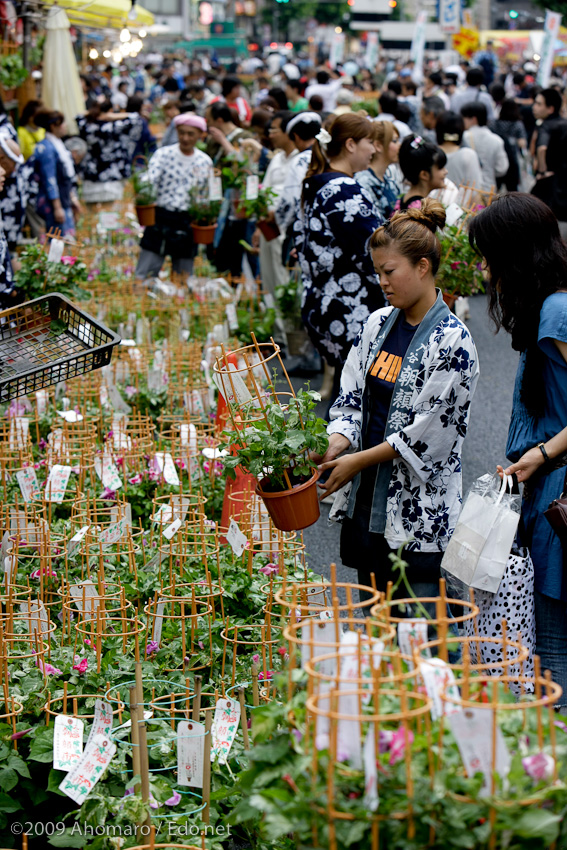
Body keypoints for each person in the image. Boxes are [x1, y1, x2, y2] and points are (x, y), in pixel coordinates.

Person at [315, 200, 479, 600]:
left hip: (417, 507)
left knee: (417, 626)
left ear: (423, 267)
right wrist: (338, 440)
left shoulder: (454, 341)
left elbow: (428, 436)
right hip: (367, 496)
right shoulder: (375, 324)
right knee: (373, 616)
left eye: (389, 272)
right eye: (378, 273)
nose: (382, 282)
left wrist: (357, 459)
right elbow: (350, 396)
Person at [468, 193, 567, 706]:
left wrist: (543, 455)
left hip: (559, 496)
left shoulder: (557, 312)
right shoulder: (550, 307)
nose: (484, 269)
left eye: (488, 255)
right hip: (546, 487)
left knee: (552, 649)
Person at [295, 113, 382, 404]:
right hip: (351, 310)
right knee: (357, 400)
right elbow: (375, 252)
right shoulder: (343, 189)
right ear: (350, 144)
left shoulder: (318, 184)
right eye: (370, 141)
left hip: (326, 303)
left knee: (345, 394)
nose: (375, 149)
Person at [136, 113, 213, 280]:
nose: (185, 138)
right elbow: (151, 178)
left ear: (201, 135)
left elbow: (208, 194)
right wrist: (143, 188)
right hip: (161, 217)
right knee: (145, 274)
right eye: (181, 133)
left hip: (187, 221)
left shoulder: (204, 161)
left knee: (183, 278)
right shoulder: (163, 154)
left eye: (191, 134)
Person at [253, 111, 298, 346]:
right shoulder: (278, 159)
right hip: (269, 228)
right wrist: (259, 227)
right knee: (270, 280)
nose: (270, 134)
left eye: (274, 130)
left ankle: (290, 337)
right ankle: (277, 336)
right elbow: (265, 191)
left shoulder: (302, 159)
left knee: (284, 282)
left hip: (286, 231)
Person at [76, 100, 144, 204]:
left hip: (92, 174)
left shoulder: (87, 126)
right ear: (110, 111)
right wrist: (112, 116)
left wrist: (94, 114)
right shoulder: (115, 127)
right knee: (111, 212)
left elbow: (78, 116)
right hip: (112, 174)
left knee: (93, 213)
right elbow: (135, 117)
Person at [28, 109, 78, 238]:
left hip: (63, 198)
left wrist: (72, 198)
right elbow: (50, 179)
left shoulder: (56, 144)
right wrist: (57, 207)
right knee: (59, 240)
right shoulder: (47, 148)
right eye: (62, 123)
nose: (65, 126)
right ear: (53, 126)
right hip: (54, 202)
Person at [355, 120, 401, 220]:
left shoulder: (389, 181)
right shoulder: (364, 181)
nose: (399, 145)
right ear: (378, 146)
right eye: (394, 141)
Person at [461, 102, 508, 194]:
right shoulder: (497, 140)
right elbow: (502, 168)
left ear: (473, 119)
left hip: (469, 189)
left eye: (464, 118)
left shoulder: (463, 138)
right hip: (489, 190)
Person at [436, 111, 482, 201]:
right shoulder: (468, 155)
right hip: (462, 211)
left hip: (433, 208)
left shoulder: (431, 153)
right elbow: (475, 191)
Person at [395, 134, 448, 212]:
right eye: (440, 168)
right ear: (424, 175)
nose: (446, 172)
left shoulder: (400, 202)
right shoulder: (421, 211)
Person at [489, 98, 527, 193]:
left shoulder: (494, 124)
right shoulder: (518, 125)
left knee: (494, 190)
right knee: (512, 190)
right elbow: (522, 143)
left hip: (496, 158)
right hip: (512, 160)